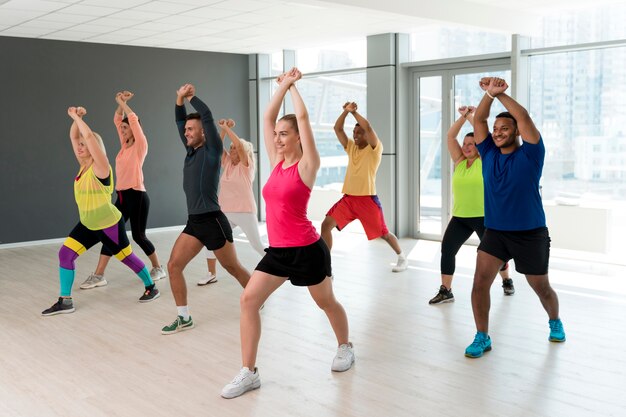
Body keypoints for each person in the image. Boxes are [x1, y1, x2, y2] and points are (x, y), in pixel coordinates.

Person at [221, 68, 354, 399]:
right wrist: (281, 86)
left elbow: (305, 117)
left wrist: (293, 86)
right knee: (248, 300)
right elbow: (268, 116)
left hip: (307, 250)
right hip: (278, 251)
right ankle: (249, 372)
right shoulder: (276, 161)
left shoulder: (308, 166)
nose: (278, 138)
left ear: (298, 137)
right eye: (277, 134)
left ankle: (345, 346)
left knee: (326, 302)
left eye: (285, 134)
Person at [464, 77, 565, 358]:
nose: (497, 133)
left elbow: (523, 116)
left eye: (504, 128)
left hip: (530, 233)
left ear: (517, 131)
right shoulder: (488, 153)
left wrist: (501, 96)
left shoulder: (532, 153)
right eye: (495, 129)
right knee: (479, 284)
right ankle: (482, 336)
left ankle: (554, 321)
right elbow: (480, 119)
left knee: (541, 288)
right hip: (495, 232)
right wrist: (488, 95)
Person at [42, 106, 160, 316]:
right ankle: (65, 300)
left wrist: (77, 118)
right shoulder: (83, 165)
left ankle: (151, 287)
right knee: (65, 254)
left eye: (84, 145)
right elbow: (74, 135)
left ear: (95, 147)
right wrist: (76, 119)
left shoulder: (102, 167)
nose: (79, 146)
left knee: (126, 257)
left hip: (108, 224)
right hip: (88, 223)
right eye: (79, 145)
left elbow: (86, 134)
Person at [161, 83, 250, 335]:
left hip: (213, 221)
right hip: (194, 222)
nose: (186, 133)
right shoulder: (190, 151)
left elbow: (207, 116)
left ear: (204, 133)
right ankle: (184, 317)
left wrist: (192, 98)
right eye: (186, 129)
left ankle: (257, 295)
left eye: (191, 129)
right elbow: (179, 121)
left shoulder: (212, 151)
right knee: (173, 266)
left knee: (232, 268)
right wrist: (178, 99)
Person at [80, 91, 166, 290]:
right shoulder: (124, 147)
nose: (123, 130)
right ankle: (99, 275)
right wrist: (120, 104)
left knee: (139, 236)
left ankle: (158, 267)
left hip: (137, 196)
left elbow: (132, 120)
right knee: (110, 234)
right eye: (123, 128)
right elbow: (118, 119)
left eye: (126, 128)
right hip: (121, 197)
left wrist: (122, 103)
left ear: (135, 130)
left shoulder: (140, 146)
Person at [429, 106, 514, 305]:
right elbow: (450, 137)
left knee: (497, 255)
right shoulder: (459, 161)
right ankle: (446, 290)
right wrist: (462, 117)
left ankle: (506, 279)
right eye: (465, 143)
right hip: (460, 218)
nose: (466, 147)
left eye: (472, 143)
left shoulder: (485, 161)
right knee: (447, 250)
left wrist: (472, 118)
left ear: (479, 145)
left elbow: (483, 134)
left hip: (485, 217)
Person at [321, 102, 407, 272]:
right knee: (325, 226)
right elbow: (338, 129)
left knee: (384, 234)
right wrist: (345, 112)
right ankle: (326, 266)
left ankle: (402, 258)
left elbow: (367, 126)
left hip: (367, 200)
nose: (356, 135)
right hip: (348, 199)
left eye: (360, 133)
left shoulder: (375, 149)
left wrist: (354, 113)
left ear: (368, 136)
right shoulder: (351, 148)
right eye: (354, 132)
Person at [199, 118, 266, 286]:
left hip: (244, 211)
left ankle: (280, 267)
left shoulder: (246, 166)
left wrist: (229, 130)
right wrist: (223, 129)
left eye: (235, 148)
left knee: (256, 244)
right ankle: (211, 274)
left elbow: (241, 147)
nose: (232, 150)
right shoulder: (228, 163)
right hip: (225, 211)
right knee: (210, 240)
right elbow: (216, 146)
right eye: (231, 148)